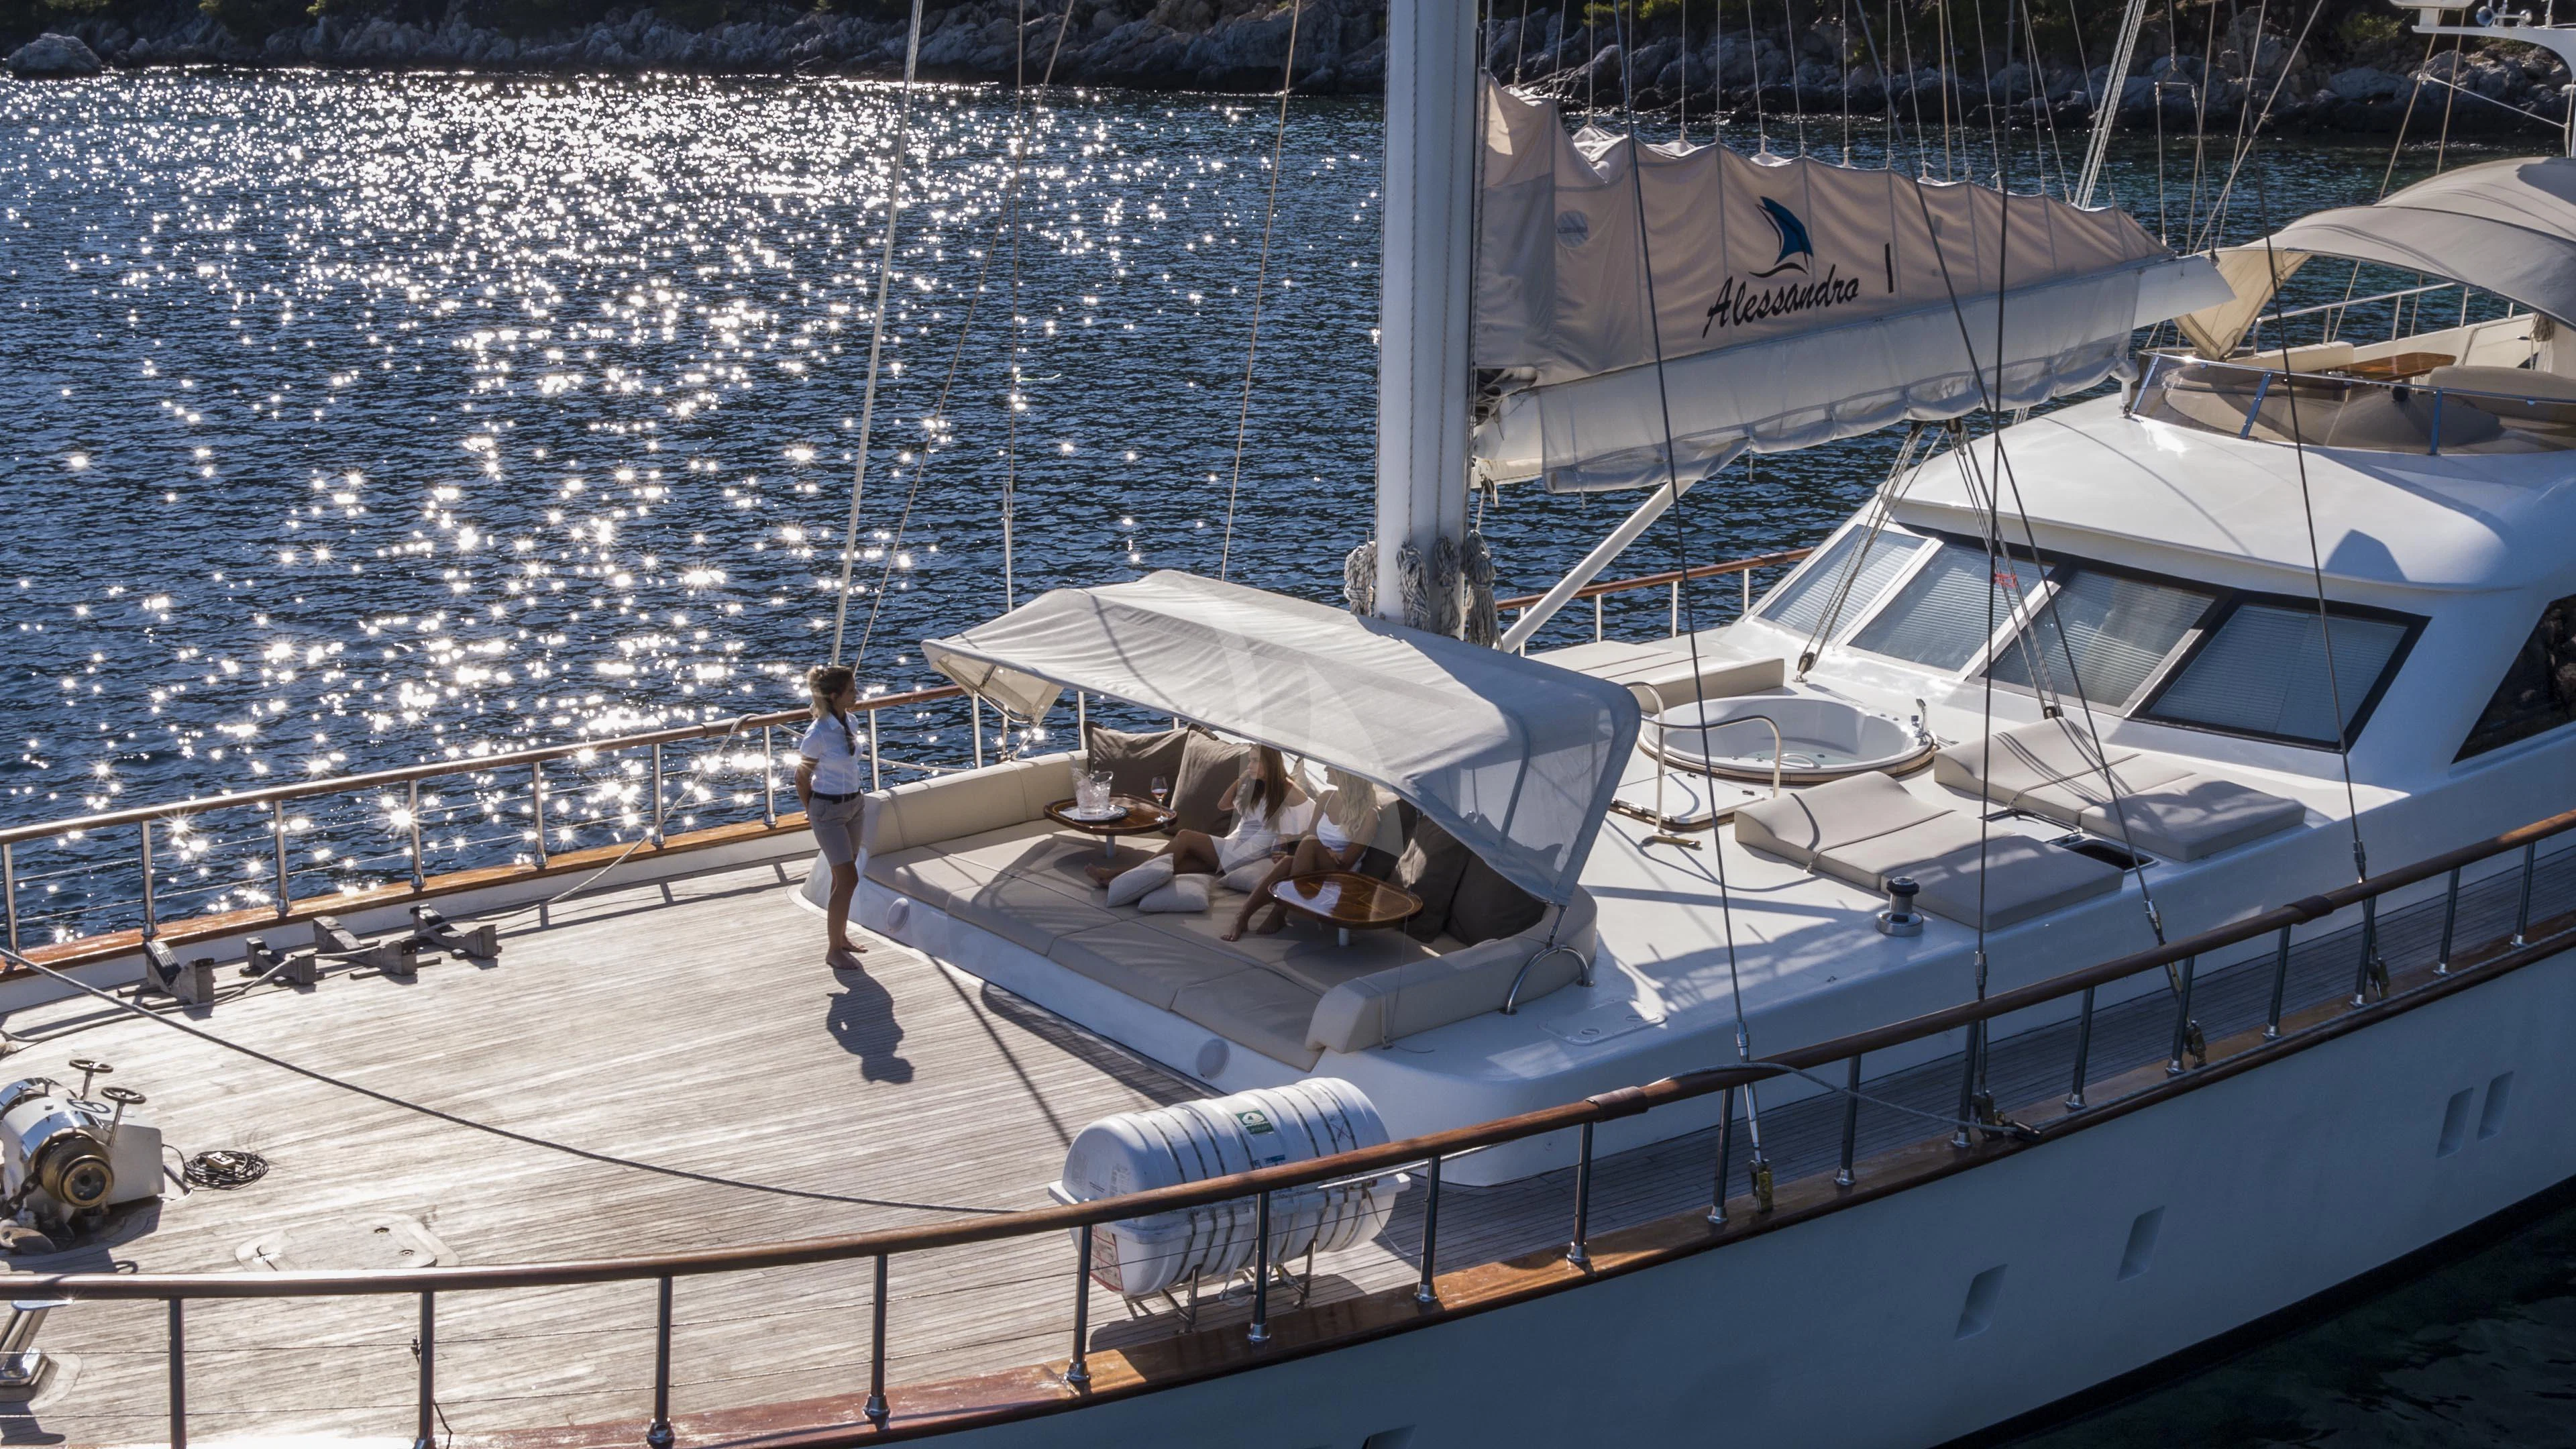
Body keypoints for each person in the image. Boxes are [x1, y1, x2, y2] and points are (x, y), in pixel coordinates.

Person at [1088, 745, 1303, 891]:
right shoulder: (1257, 789)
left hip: (1246, 852)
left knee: (1185, 837)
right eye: (1249, 761)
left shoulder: (1285, 788)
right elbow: (1223, 805)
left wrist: (1285, 837)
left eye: (1255, 761)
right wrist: (1243, 777)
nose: (1250, 766)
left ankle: (1119, 876)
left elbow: (1308, 812)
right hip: (1233, 847)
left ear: (1270, 764)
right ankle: (1117, 877)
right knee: (1176, 864)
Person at [1227, 766, 1382, 941]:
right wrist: (1288, 839)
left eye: (1329, 765)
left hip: (1340, 876)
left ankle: (1280, 909)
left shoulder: (1370, 815)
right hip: (1316, 863)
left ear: (1345, 774)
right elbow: (1311, 834)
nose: (1324, 768)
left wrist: (1321, 849)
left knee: (1309, 844)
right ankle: (1243, 916)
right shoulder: (1326, 798)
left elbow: (1346, 862)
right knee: (1287, 861)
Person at [796, 664, 871, 971]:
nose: (857, 694)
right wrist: (812, 811)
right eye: (852, 690)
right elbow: (802, 778)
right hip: (827, 810)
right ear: (835, 695)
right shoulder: (818, 734)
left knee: (844, 878)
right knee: (849, 878)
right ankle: (832, 950)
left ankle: (840, 938)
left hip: (854, 805)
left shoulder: (849, 721)